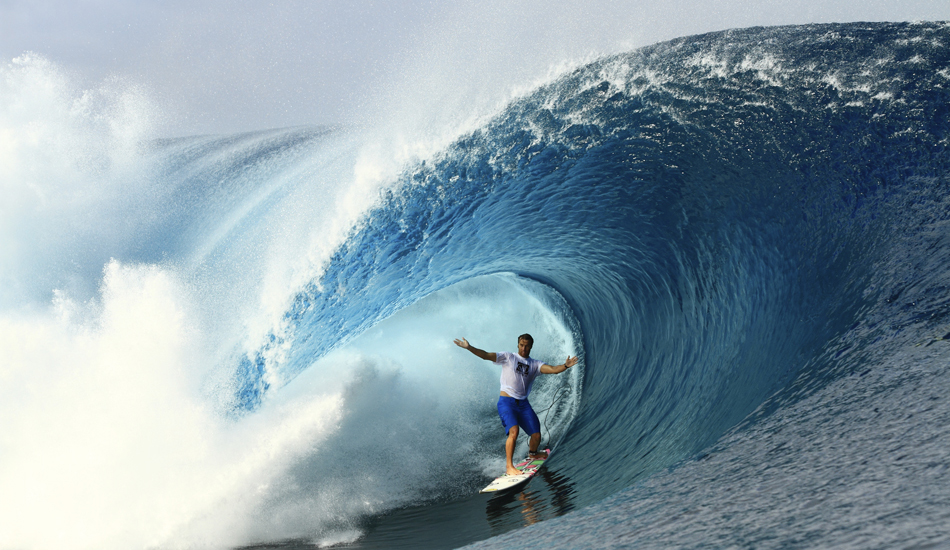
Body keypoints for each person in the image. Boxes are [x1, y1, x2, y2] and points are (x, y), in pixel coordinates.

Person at [454, 334, 578, 476]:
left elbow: (553, 370)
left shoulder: (535, 365)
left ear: (531, 346)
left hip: (523, 405)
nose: (524, 348)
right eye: (521, 345)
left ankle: (533, 454)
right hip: (506, 403)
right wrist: (469, 347)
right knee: (514, 432)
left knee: (536, 435)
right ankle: (509, 467)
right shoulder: (508, 357)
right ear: (518, 345)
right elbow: (485, 355)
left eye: (527, 346)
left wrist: (565, 366)